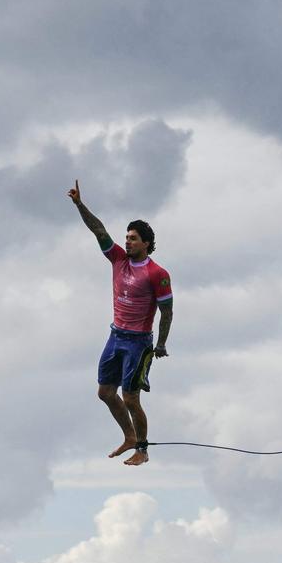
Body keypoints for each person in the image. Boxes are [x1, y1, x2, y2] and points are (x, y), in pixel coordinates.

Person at [68, 179, 173, 466]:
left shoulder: (157, 273)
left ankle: (142, 449)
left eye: (133, 238)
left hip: (139, 342)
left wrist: (161, 343)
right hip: (116, 336)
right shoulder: (118, 259)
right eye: (126, 237)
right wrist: (79, 205)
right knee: (105, 392)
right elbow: (98, 229)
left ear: (147, 244)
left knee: (130, 398)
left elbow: (167, 311)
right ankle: (128, 436)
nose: (127, 241)